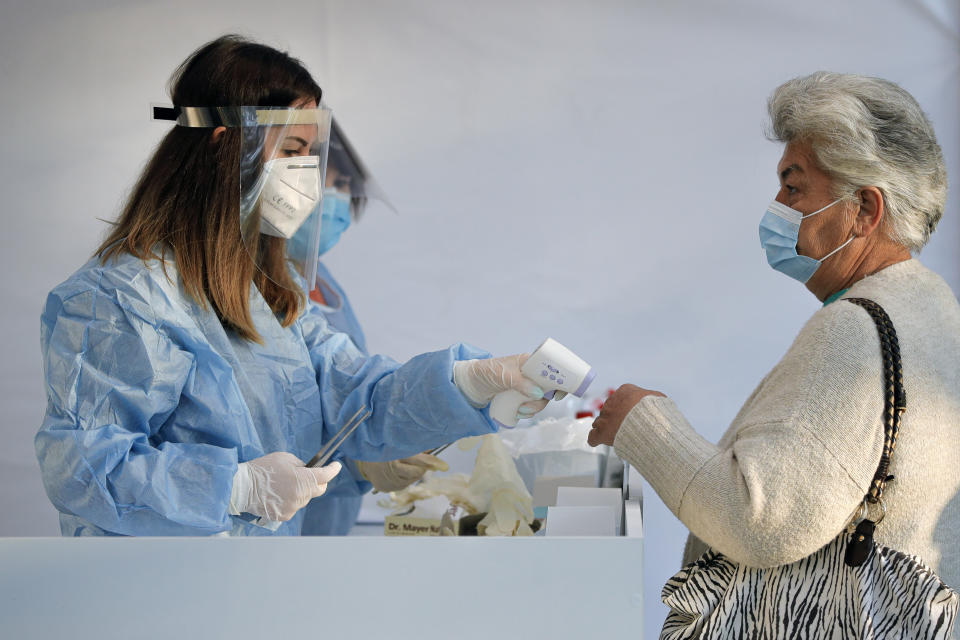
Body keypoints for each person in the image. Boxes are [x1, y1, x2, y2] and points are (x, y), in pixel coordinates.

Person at [35, 35, 549, 537]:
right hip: (157, 600)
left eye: (312, 152)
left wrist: (467, 382)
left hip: (258, 585)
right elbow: (85, 468)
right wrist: (235, 489)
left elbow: (358, 398)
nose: (308, 174)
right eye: (295, 149)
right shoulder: (121, 301)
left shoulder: (264, 296)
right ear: (227, 148)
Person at [589, 72, 960, 624]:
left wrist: (643, 423)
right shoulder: (933, 308)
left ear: (864, 209)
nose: (778, 206)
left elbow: (762, 520)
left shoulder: (854, 329)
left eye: (794, 186)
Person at [297, 121, 447, 535]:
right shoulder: (250, 292)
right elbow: (267, 428)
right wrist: (356, 464)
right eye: (321, 180)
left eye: (343, 184)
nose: (334, 197)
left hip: (330, 522)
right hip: (275, 527)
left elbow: (349, 392)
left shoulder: (322, 281)